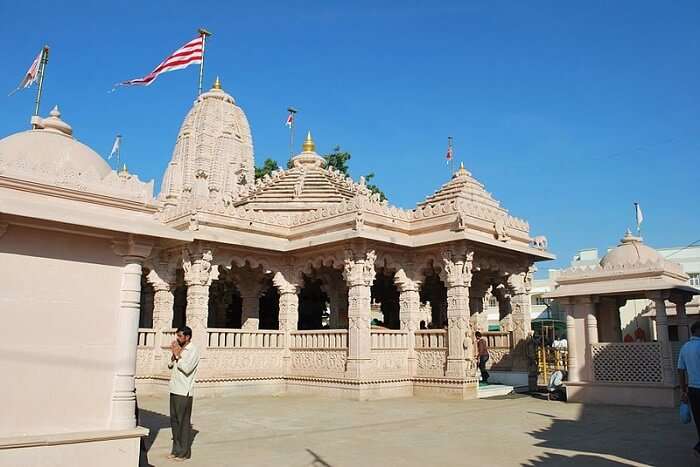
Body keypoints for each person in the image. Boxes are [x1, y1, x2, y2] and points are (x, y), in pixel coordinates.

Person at [168, 326, 200, 461]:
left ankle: (184, 453)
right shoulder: (179, 349)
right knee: (174, 422)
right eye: (177, 336)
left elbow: (187, 369)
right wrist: (173, 355)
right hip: (174, 389)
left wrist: (177, 355)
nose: (178, 338)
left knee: (183, 423)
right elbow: (170, 366)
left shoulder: (193, 350)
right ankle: (176, 450)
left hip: (184, 392)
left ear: (187, 337)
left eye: (180, 336)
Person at [679, 320, 700, 458]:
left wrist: (683, 391)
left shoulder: (685, 347)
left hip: (693, 390)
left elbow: (680, 370)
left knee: (699, 420)